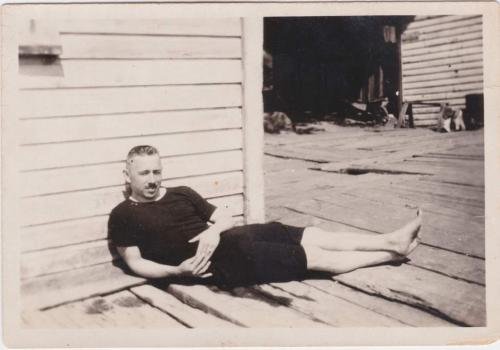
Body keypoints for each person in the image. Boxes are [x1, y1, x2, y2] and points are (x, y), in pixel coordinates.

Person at [109, 145, 422, 289]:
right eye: (144, 173)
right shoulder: (123, 215)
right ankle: (387, 255)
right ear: (128, 175)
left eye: (156, 171)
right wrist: (177, 271)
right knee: (310, 256)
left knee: (309, 233)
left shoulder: (182, 192)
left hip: (235, 237)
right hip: (229, 262)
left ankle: (390, 240)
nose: (152, 179)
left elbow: (226, 217)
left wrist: (214, 231)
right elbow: (135, 263)